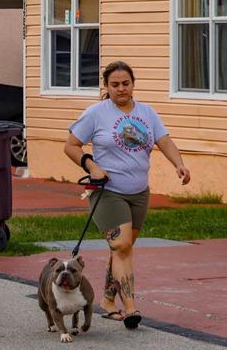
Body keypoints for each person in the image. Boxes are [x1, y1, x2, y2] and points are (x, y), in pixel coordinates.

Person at [64, 61, 191, 329]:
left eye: (125, 84)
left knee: (121, 249)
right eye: (114, 85)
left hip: (138, 193)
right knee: (121, 247)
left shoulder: (147, 112)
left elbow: (164, 141)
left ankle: (108, 301)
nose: (121, 89)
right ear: (106, 87)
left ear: (133, 84)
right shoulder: (96, 113)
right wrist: (91, 165)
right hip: (107, 191)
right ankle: (130, 307)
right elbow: (71, 146)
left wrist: (179, 163)